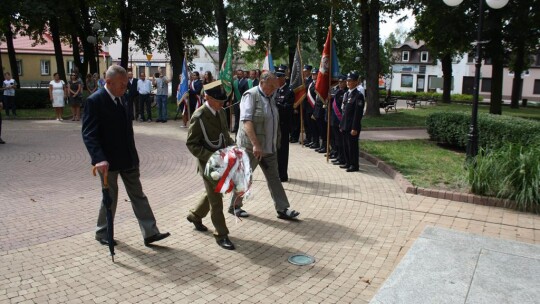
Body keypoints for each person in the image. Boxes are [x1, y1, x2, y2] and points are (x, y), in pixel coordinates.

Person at [82, 65, 170, 247]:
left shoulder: (123, 98)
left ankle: (150, 232)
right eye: (122, 84)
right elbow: (89, 133)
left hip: (128, 158)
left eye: (126, 84)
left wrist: (134, 156)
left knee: (138, 195)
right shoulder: (95, 101)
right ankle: (103, 232)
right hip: (107, 161)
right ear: (108, 82)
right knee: (110, 197)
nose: (125, 87)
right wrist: (98, 158)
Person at [229, 71, 300, 220]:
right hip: (251, 147)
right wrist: (256, 145)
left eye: (276, 86)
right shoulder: (250, 96)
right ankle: (235, 206)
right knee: (245, 177)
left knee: (274, 177)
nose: (275, 88)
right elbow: (247, 122)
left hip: (269, 147)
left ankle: (282, 209)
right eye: (272, 85)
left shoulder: (271, 96)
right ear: (262, 83)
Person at [185, 80, 236, 250]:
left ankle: (195, 215)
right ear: (207, 97)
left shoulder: (220, 112)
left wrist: (232, 147)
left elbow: (224, 134)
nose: (222, 104)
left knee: (215, 192)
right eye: (218, 101)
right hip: (208, 164)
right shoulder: (199, 116)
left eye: (223, 101)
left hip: (221, 161)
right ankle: (221, 234)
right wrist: (211, 157)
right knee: (216, 201)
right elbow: (192, 144)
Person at [339, 71, 365, 173]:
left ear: (356, 82)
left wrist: (354, 128)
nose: (348, 83)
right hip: (345, 124)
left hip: (352, 126)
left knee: (352, 146)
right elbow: (344, 111)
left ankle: (354, 165)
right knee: (345, 145)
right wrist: (341, 124)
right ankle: (348, 162)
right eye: (347, 81)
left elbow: (357, 114)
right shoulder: (347, 94)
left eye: (350, 81)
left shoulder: (358, 95)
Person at [275, 66, 295, 182]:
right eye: (276, 77)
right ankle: (276, 172)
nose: (276, 80)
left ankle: (283, 174)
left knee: (282, 151)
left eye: (278, 78)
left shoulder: (289, 91)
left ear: (283, 78)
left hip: (283, 125)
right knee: (275, 150)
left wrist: (276, 105)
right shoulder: (275, 90)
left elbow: (288, 108)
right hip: (275, 125)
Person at [330, 75, 347, 166]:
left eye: (342, 82)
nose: (340, 84)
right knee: (336, 140)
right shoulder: (337, 92)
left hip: (340, 120)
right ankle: (338, 156)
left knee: (341, 141)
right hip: (334, 120)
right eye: (339, 82)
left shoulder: (346, 93)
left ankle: (342, 158)